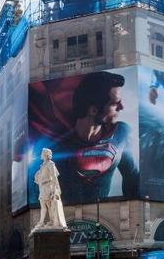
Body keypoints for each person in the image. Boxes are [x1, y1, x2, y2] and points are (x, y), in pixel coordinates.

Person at [54, 71, 139, 204]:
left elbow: (132, 178)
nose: (121, 107)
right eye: (115, 104)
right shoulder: (55, 141)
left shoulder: (122, 133)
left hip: (106, 219)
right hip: (63, 218)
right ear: (93, 110)